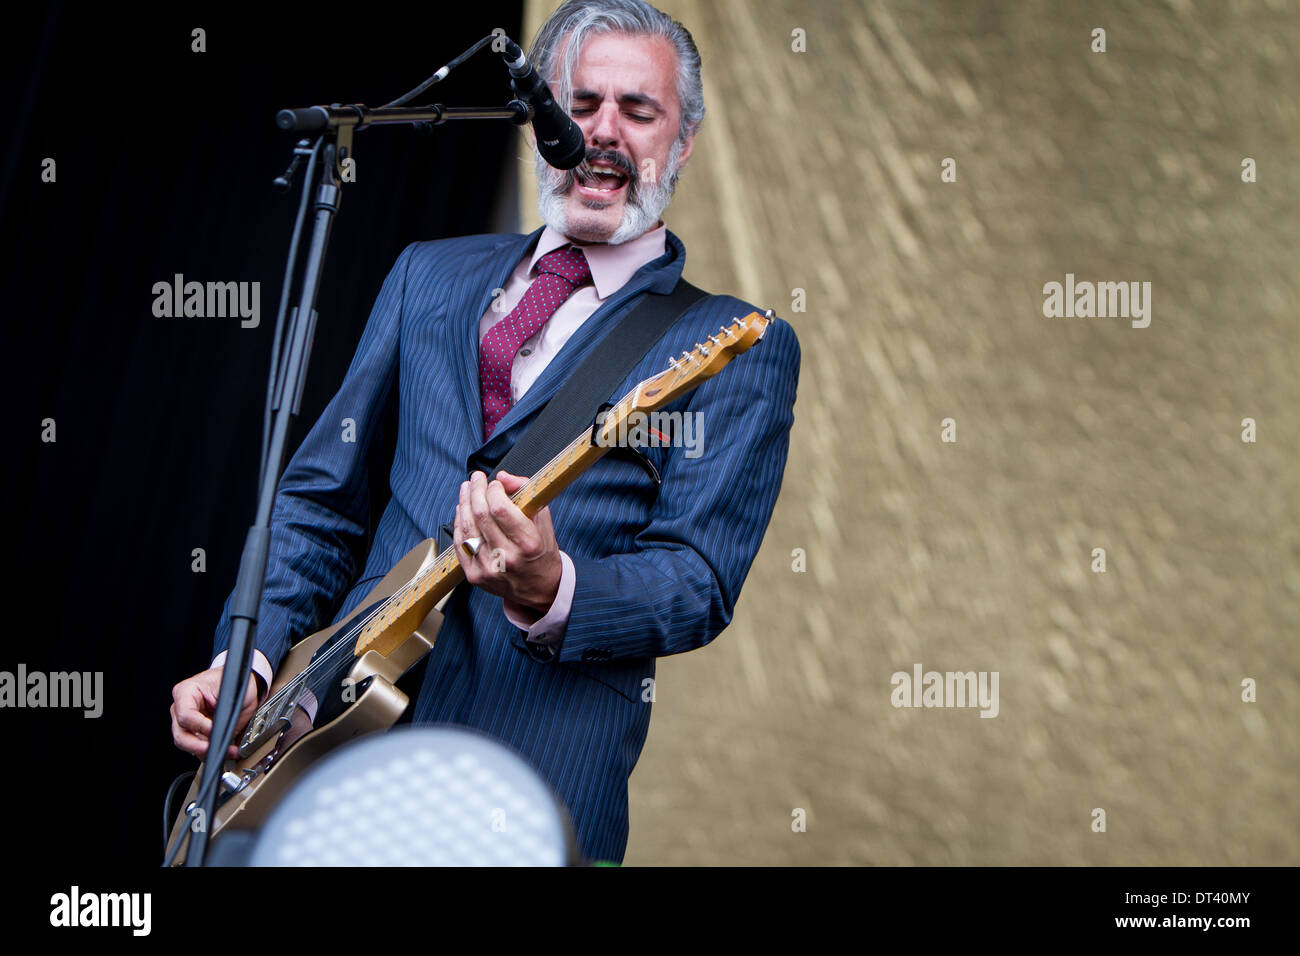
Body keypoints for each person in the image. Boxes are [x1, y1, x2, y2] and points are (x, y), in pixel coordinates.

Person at [170, 0, 800, 863]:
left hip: (529, 782)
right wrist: (247, 659)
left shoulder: (728, 343)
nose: (602, 133)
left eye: (637, 110)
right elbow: (321, 502)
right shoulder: (427, 274)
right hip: (321, 754)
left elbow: (698, 582)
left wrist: (552, 584)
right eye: (578, 106)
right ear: (536, 119)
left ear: (682, 141)